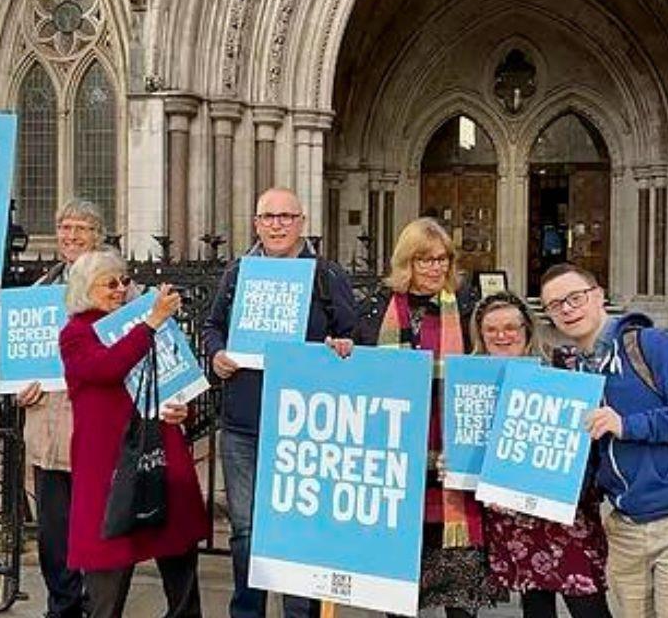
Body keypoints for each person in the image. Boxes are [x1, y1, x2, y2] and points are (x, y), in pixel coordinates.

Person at [539, 263, 668, 618]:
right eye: (555, 305)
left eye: (575, 297)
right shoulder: (578, 370)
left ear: (598, 297)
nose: (567, 309)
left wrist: (627, 425)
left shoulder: (651, 344)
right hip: (627, 524)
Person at [201, 187, 357, 618]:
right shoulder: (238, 273)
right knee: (246, 532)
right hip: (244, 423)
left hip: (302, 425)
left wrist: (341, 346)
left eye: (286, 216)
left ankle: (298, 613)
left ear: (301, 222)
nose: (276, 224)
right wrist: (216, 354)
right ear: (256, 223)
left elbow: (352, 336)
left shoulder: (325, 276)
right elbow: (212, 326)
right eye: (268, 217)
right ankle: (246, 612)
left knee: (297, 532)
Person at [354, 217, 500, 618]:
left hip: (455, 457)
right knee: (402, 584)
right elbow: (356, 373)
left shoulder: (467, 306)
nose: (435, 268)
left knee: (458, 585)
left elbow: (491, 362)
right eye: (424, 260)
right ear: (407, 262)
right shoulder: (376, 309)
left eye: (441, 259)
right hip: (400, 458)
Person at [60, 249, 209, 618]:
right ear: (84, 288)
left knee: (178, 554)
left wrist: (183, 409)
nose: (120, 289)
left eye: (124, 281)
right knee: (109, 564)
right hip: (108, 462)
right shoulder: (76, 334)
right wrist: (150, 323)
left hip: (159, 449)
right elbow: (106, 368)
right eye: (110, 283)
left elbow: (177, 377)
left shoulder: (143, 322)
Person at [470, 292, 612, 618]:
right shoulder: (474, 378)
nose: (502, 336)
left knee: (587, 599)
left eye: (511, 327)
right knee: (535, 602)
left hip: (564, 505)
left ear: (527, 330)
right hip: (511, 510)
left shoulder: (563, 365)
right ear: (481, 334)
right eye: (492, 330)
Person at [16, 199, 104, 618]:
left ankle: (97, 603)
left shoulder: (118, 288)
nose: (71, 236)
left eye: (81, 228)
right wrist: (20, 389)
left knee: (96, 526)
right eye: (65, 227)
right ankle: (64, 605)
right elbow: (20, 365)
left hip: (93, 428)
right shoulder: (39, 293)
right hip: (48, 430)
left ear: (98, 235)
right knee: (53, 531)